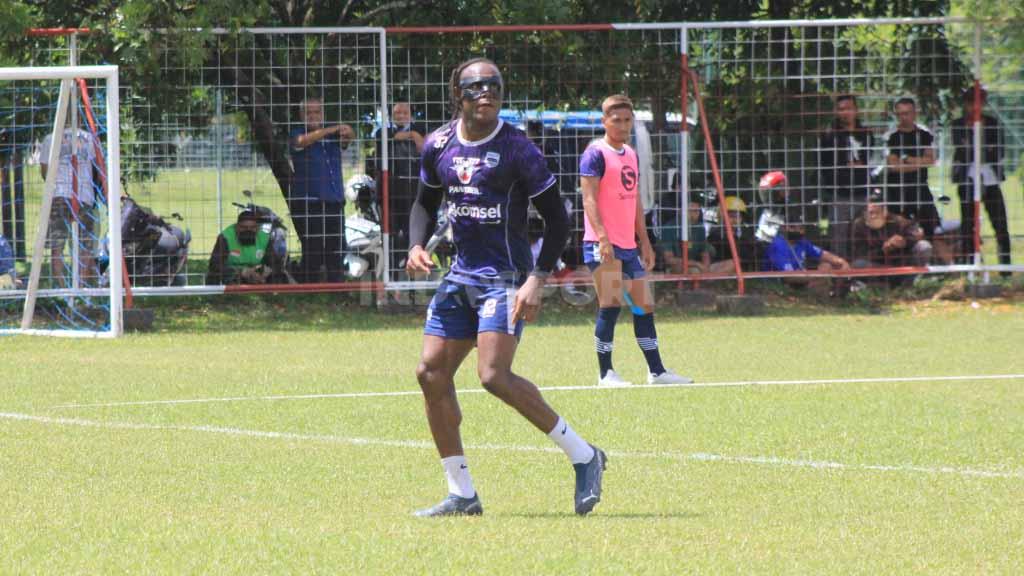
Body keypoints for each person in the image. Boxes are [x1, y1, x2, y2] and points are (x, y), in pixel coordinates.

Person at [405, 57, 606, 518]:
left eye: (494, 86)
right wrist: (417, 244)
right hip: (460, 276)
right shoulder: (438, 144)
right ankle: (461, 493)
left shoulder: (519, 149)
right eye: (476, 87)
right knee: (430, 373)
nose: (487, 94)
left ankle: (584, 455)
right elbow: (423, 203)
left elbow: (559, 221)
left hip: (507, 278)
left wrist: (538, 279)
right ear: (459, 94)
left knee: (493, 375)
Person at [580, 94, 692, 387]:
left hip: (628, 246)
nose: (622, 125)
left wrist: (644, 240)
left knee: (644, 305)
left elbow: (634, 201)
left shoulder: (629, 153)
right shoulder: (595, 153)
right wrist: (603, 238)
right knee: (610, 304)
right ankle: (606, 373)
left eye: (627, 120)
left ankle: (657, 372)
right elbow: (589, 200)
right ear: (605, 121)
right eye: (616, 120)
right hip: (601, 244)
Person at [289, 97, 355, 282]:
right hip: (310, 202)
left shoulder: (333, 137)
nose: (313, 116)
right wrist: (332, 129)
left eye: (317, 112)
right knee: (313, 250)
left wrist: (347, 130)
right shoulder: (297, 133)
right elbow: (301, 142)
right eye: (308, 112)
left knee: (336, 249)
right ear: (301, 115)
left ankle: (336, 289)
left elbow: (349, 136)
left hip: (334, 200)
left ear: (323, 114)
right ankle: (310, 290)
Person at [951, 87, 1011, 273]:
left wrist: (983, 148)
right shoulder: (959, 124)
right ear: (966, 104)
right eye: (971, 102)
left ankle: (1006, 267)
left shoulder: (992, 123)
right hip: (967, 177)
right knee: (968, 224)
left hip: (990, 176)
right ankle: (970, 266)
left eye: (979, 102)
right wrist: (983, 147)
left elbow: (999, 150)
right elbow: (963, 151)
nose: (975, 106)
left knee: (1000, 222)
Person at [367, 102, 427, 274]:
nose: (401, 116)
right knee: (390, 236)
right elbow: (395, 137)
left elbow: (424, 148)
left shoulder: (421, 129)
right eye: (397, 113)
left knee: (411, 236)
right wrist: (413, 135)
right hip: (388, 195)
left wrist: (416, 136)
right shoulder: (382, 132)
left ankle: (411, 276)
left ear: (411, 114)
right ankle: (390, 274)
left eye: (405, 112)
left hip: (413, 194)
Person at [39, 127, 100, 286]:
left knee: (57, 245)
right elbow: (96, 168)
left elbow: (45, 172)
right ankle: (80, 287)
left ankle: (61, 286)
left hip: (59, 194)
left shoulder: (50, 138)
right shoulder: (89, 138)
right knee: (85, 244)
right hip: (84, 196)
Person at [819, 94, 874, 260]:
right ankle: (839, 278)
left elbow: (867, 159)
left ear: (856, 110)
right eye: (841, 109)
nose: (845, 113)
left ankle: (861, 272)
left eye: (849, 108)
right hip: (839, 193)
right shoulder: (829, 135)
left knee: (862, 233)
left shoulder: (865, 133)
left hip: (862, 191)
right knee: (838, 236)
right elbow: (826, 164)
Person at [884, 97, 941, 239]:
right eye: (900, 114)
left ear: (915, 113)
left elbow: (931, 160)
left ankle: (929, 257)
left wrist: (906, 159)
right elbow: (893, 167)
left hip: (920, 187)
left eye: (907, 113)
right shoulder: (890, 136)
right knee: (897, 229)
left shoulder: (925, 135)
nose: (903, 117)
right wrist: (919, 163)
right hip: (896, 190)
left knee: (930, 228)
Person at [851, 193, 933, 274]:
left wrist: (904, 241)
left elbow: (914, 234)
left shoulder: (897, 220)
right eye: (871, 212)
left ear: (885, 211)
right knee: (858, 264)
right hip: (877, 265)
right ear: (864, 212)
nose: (874, 216)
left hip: (901, 262)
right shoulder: (858, 225)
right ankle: (883, 283)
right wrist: (882, 250)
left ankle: (913, 277)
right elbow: (860, 254)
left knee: (924, 246)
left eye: (877, 212)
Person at [206, 209, 289, 285]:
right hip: (233, 274)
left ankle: (274, 295)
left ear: (257, 228)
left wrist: (266, 272)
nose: (248, 230)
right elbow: (214, 265)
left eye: (252, 227)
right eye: (244, 227)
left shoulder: (264, 237)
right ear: (237, 227)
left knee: (279, 275)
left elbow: (275, 262)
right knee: (215, 275)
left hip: (257, 273)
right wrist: (241, 272)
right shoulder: (225, 237)